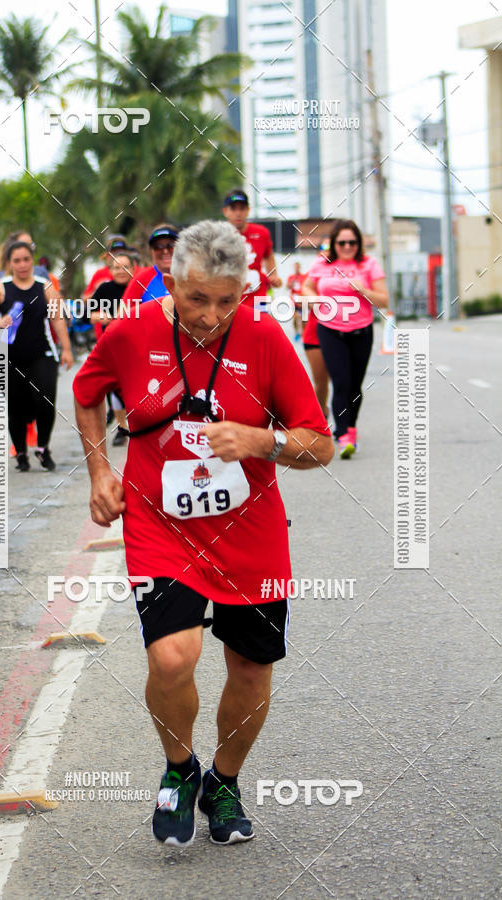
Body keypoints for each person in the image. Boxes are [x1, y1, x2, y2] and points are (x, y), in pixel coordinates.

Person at [73, 220, 333, 848]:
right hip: (161, 528)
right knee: (172, 656)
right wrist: (100, 470)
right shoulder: (132, 330)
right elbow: (87, 392)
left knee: (250, 667)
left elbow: (319, 444)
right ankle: (179, 767)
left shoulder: (266, 336)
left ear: (244, 289)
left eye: (227, 299)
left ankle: (223, 781)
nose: (212, 315)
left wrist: (260, 440)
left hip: (251, 535)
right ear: (173, 281)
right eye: (197, 299)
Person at [0, 241, 73, 472]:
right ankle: (21, 452)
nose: (22, 265)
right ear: (9, 263)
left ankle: (43, 447)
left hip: (41, 353)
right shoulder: (0, 288)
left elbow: (58, 319)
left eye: (26, 260)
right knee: (16, 408)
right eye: (17, 261)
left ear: (32, 260)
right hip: (8, 357)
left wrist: (67, 349)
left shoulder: (45, 287)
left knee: (45, 401)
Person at [302, 219, 389, 458]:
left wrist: (365, 291)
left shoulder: (368, 264)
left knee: (354, 386)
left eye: (352, 242)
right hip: (330, 329)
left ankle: (350, 427)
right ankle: (343, 435)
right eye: (342, 242)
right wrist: (316, 298)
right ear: (335, 244)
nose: (347, 246)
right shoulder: (322, 263)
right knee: (340, 382)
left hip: (361, 331)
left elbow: (384, 300)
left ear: (358, 243)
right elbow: (306, 288)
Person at [89, 253, 135, 447]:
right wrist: (100, 316)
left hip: (139, 345)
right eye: (116, 267)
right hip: (114, 346)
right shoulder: (105, 289)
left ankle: (138, 424)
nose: (121, 271)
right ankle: (123, 427)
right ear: (110, 270)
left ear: (133, 268)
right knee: (117, 388)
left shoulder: (140, 288)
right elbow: (87, 315)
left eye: (125, 267)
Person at [222, 190, 282, 309]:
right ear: (225, 211)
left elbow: (268, 255)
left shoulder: (262, 233)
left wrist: (273, 275)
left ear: (248, 210)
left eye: (242, 208)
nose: (238, 213)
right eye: (233, 209)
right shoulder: (217, 235)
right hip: (228, 297)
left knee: (260, 325)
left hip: (257, 296)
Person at [122, 225, 178, 305]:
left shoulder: (193, 275)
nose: (165, 251)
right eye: (158, 247)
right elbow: (122, 314)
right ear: (151, 251)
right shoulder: (141, 279)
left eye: (171, 246)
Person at [286, 261, 306, 342]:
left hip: (302, 300)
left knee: (303, 319)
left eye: (297, 267)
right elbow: (287, 287)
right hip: (293, 300)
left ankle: (303, 333)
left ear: (299, 267)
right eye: (295, 267)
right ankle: (297, 332)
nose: (296, 268)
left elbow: (305, 287)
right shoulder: (291, 277)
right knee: (295, 318)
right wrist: (291, 283)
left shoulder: (303, 277)